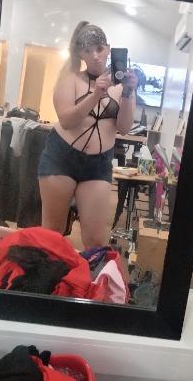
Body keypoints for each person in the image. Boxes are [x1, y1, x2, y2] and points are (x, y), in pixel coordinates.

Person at [38, 21, 137, 249]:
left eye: (99, 49)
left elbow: (124, 127)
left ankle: (86, 274)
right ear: (80, 54)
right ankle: (48, 273)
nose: (95, 56)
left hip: (98, 164)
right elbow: (67, 120)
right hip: (62, 158)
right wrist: (96, 95)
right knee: (52, 233)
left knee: (96, 240)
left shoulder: (122, 86)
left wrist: (128, 93)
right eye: (88, 50)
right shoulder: (70, 78)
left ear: (108, 49)